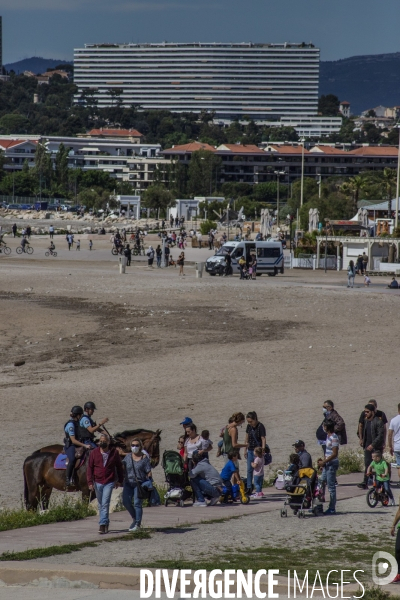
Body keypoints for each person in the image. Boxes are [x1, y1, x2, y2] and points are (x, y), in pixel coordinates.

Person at [87, 432, 124, 534]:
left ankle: (102, 525)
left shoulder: (114, 453)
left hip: (109, 481)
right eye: (101, 441)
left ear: (109, 442)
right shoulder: (94, 453)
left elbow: (119, 467)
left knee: (105, 502)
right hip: (97, 481)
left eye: (105, 441)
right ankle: (106, 522)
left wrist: (120, 480)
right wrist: (90, 482)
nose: (102, 443)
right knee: (100, 504)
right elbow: (90, 468)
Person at [122, 438, 152, 532]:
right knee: (126, 502)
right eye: (133, 445)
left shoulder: (144, 458)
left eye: (136, 445)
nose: (134, 447)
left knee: (137, 503)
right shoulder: (127, 457)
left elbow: (148, 471)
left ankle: (138, 524)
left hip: (139, 484)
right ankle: (135, 517)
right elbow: (122, 466)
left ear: (140, 447)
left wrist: (149, 482)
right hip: (128, 483)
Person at [357, 403, 384, 489]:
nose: (365, 413)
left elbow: (380, 436)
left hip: (376, 447)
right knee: (367, 464)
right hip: (367, 446)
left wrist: (373, 445)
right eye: (365, 412)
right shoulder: (366, 421)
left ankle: (380, 483)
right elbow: (361, 429)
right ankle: (365, 482)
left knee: (378, 465)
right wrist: (361, 439)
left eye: (367, 412)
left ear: (372, 412)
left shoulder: (378, 422)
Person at [63, 406, 92, 487]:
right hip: (71, 445)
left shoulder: (77, 423)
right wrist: (85, 445)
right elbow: (73, 440)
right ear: (77, 415)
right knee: (72, 459)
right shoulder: (70, 425)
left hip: (79, 444)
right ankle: (68, 479)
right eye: (80, 415)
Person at [317, 420, 339, 515]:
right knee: (321, 483)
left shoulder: (334, 437)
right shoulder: (328, 436)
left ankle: (332, 508)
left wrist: (324, 462)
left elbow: (335, 453)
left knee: (331, 487)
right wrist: (323, 464)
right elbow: (327, 452)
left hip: (332, 464)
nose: (323, 427)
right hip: (327, 464)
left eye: (324, 426)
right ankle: (319, 505)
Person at [244, 411, 266, 494]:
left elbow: (263, 438)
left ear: (255, 419)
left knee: (259, 470)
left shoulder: (260, 426)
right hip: (250, 450)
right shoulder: (248, 427)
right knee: (249, 469)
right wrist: (245, 450)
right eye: (248, 422)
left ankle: (259, 489)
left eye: (251, 421)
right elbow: (246, 438)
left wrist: (263, 450)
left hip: (257, 451)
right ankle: (249, 487)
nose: (249, 423)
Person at [389, 403, 400, 488]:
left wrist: (390, 446)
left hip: (397, 446)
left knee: (399, 466)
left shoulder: (393, 420)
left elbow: (390, 434)